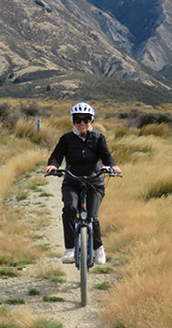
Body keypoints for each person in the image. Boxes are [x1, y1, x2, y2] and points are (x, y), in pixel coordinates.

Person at [44, 102, 122, 265]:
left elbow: (106, 156)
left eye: (86, 120)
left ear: (91, 120)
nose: (82, 124)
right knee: (70, 209)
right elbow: (56, 156)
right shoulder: (66, 139)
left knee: (92, 217)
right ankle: (70, 248)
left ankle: (98, 248)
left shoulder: (98, 138)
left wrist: (112, 167)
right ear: (73, 121)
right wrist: (53, 166)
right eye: (78, 120)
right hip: (72, 181)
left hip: (94, 182)